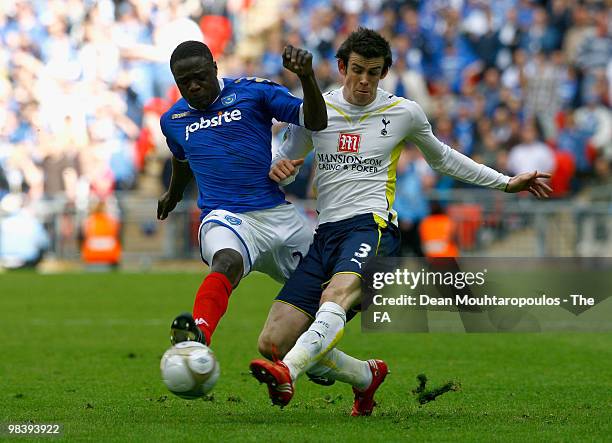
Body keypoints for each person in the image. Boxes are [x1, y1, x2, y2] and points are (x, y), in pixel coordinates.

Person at [250, 28, 553, 415]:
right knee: (272, 342)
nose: (364, 80)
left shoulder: (403, 112)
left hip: (373, 228)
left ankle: (287, 374)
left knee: (334, 299)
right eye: (357, 70)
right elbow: (286, 162)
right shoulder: (316, 110)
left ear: (384, 73)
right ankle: (364, 376)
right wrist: (280, 169)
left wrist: (507, 182)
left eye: (373, 73)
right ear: (342, 67)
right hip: (325, 234)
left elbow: (443, 158)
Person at [157, 40, 327, 348]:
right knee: (226, 261)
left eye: (200, 77)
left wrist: (307, 77)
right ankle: (198, 336)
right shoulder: (172, 121)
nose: (194, 86)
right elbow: (181, 160)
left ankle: (361, 373)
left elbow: (315, 121)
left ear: (214, 68)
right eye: (184, 82)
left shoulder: (254, 92)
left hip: (277, 214)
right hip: (223, 217)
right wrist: (173, 194)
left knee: (331, 290)